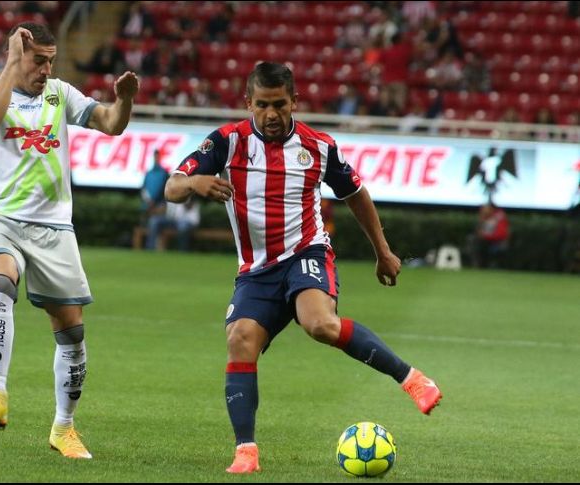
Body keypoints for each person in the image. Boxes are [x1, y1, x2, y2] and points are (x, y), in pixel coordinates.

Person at [164, 62, 442, 474]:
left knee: (319, 325)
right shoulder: (226, 142)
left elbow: (357, 194)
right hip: (255, 270)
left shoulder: (318, 146)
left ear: (294, 102)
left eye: (279, 104)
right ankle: (246, 452)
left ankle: (413, 379)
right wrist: (194, 183)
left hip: (306, 254)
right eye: (262, 105)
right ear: (249, 103)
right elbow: (172, 186)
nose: (271, 114)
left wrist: (382, 252)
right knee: (240, 339)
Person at [0, 22, 138, 459]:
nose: (46, 69)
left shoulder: (61, 94)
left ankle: (64, 428)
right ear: (16, 56)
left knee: (72, 332)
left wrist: (126, 100)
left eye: (50, 61)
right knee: (1, 283)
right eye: (37, 60)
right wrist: (9, 63)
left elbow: (111, 125)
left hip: (53, 227)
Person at [140, 149, 170, 249]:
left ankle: (152, 247)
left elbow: (164, 189)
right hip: (148, 206)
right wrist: (148, 201)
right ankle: (147, 247)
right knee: (146, 225)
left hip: (160, 206)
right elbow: (144, 188)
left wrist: (154, 202)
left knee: (156, 224)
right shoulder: (148, 173)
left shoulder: (164, 173)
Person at [470, 202, 509, 269]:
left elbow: (501, 234)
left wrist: (486, 236)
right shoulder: (484, 218)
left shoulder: (499, 217)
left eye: (486, 209)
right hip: (485, 241)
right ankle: (478, 265)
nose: (484, 211)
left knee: (480, 243)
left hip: (497, 241)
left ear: (491, 209)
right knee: (474, 240)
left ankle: (483, 265)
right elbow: (478, 232)